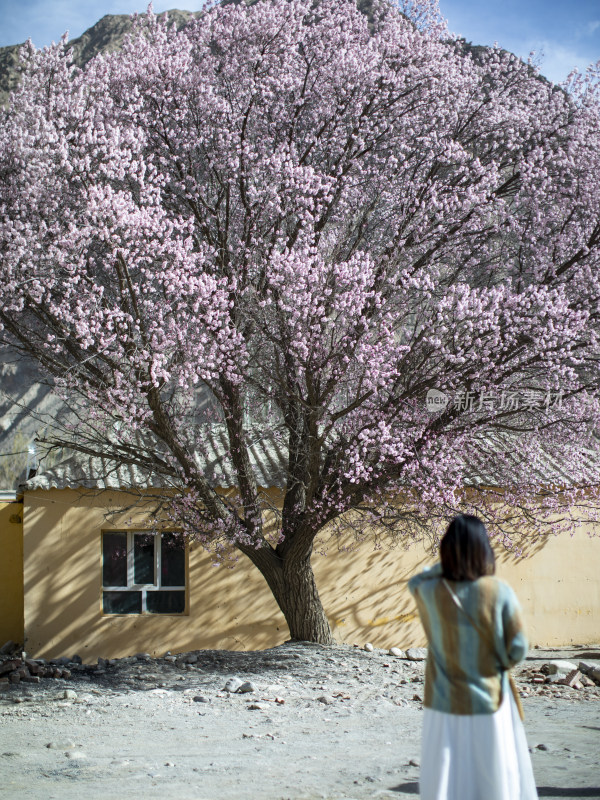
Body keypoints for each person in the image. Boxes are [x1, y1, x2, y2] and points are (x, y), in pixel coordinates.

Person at [408, 514, 538, 800]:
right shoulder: (498, 591)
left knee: (445, 775)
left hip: (442, 699)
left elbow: (415, 579)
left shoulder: (428, 590)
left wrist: (451, 564)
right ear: (485, 549)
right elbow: (518, 648)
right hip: (489, 698)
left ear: (445, 548)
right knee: (492, 774)